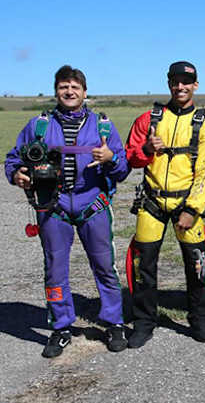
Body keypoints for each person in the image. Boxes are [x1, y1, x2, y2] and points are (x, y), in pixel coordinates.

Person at [5, 65, 130, 357]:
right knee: (55, 270)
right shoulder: (38, 125)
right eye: (64, 86)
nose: (70, 92)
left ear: (85, 92)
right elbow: (14, 159)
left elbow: (122, 168)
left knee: (105, 267)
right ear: (56, 91)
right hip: (52, 208)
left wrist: (111, 158)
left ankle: (114, 323)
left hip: (93, 206)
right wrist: (17, 175)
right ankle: (61, 327)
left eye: (75, 86)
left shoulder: (102, 126)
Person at [124, 61, 205, 348]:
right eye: (175, 82)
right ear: (168, 84)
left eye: (186, 82)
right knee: (142, 265)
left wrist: (192, 209)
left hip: (186, 203)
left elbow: (203, 173)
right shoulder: (148, 119)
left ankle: (199, 321)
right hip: (151, 201)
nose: (180, 87)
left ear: (195, 85)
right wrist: (147, 150)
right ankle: (143, 322)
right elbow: (130, 157)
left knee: (197, 265)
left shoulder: (204, 125)